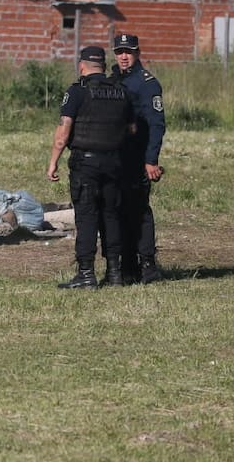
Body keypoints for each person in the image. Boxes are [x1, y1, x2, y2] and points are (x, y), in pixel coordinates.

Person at [48, 46, 135, 289]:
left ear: (82, 66)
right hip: (114, 163)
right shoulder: (122, 92)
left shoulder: (77, 91)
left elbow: (63, 132)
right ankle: (115, 273)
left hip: (86, 163)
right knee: (111, 215)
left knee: (86, 216)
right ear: (104, 67)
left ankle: (86, 274)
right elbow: (132, 130)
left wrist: (53, 161)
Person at [112, 33, 166, 284]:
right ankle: (128, 265)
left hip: (137, 157)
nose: (124, 56)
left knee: (139, 211)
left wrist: (151, 159)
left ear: (137, 53)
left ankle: (148, 265)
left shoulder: (147, 84)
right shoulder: (112, 80)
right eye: (120, 51)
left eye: (128, 51)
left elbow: (157, 124)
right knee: (118, 210)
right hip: (116, 158)